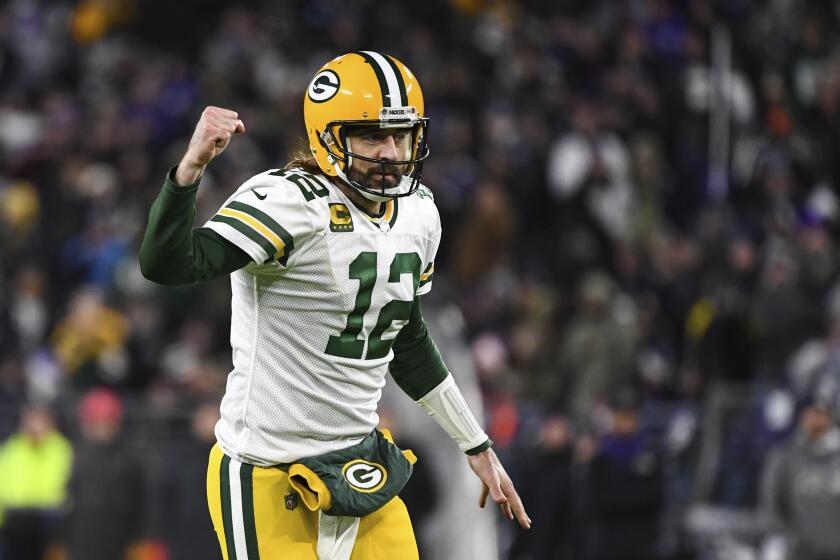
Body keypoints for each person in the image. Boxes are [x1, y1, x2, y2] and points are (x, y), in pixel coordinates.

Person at [140, 51, 529, 559]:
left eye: (401, 134)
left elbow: (406, 339)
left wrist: (475, 444)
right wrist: (190, 169)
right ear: (329, 137)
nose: (391, 151)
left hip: (359, 464)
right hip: (267, 472)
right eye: (372, 135)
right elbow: (170, 265)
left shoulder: (419, 214)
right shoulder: (289, 202)